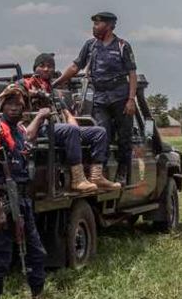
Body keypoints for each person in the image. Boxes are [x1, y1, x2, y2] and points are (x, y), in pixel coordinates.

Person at [0, 84, 51, 299]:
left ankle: (37, 297)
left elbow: (29, 136)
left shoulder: (17, 131)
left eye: (18, 104)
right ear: (2, 106)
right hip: (3, 201)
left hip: (23, 200)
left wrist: (40, 116)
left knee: (36, 252)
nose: (14, 108)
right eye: (9, 104)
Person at [54, 11, 138, 185]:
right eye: (94, 24)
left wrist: (131, 99)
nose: (94, 27)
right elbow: (76, 66)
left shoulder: (122, 46)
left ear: (109, 26)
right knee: (102, 134)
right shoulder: (90, 46)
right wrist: (58, 82)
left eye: (97, 24)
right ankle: (101, 173)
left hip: (120, 97)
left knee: (124, 137)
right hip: (99, 97)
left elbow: (132, 74)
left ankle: (123, 172)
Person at [20, 52, 119, 193]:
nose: (46, 69)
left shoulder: (53, 91)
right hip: (40, 128)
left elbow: (67, 113)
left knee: (99, 132)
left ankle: (96, 176)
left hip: (58, 128)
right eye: (42, 66)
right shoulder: (25, 84)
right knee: (69, 130)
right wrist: (35, 93)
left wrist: (74, 126)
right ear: (35, 68)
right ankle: (78, 179)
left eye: (50, 66)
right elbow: (13, 95)